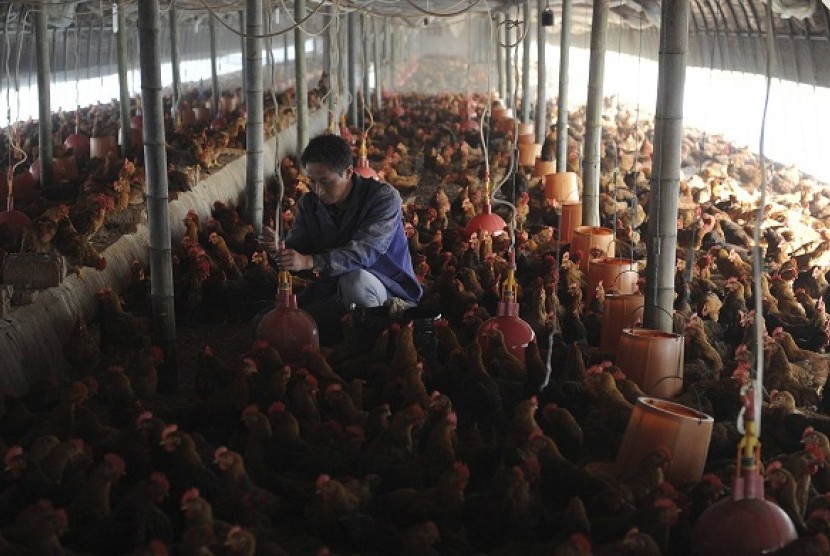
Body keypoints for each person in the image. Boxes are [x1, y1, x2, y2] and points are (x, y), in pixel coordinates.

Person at [275, 134, 423, 343]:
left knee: (355, 281)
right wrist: (279, 249)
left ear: (348, 172)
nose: (317, 190)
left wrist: (310, 261)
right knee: (273, 321)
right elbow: (298, 248)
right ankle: (348, 336)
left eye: (325, 181)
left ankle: (375, 342)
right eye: (312, 181)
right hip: (332, 290)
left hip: (387, 291)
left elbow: (365, 251)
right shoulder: (309, 204)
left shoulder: (382, 198)